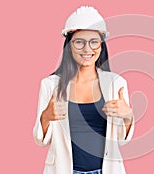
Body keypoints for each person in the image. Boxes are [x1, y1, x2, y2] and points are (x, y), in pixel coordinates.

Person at [33, 6, 135, 174]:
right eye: (79, 42)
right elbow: (41, 140)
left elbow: (121, 140)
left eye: (94, 42)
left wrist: (128, 116)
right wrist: (46, 117)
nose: (87, 49)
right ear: (69, 46)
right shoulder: (50, 85)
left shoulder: (116, 83)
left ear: (101, 46)